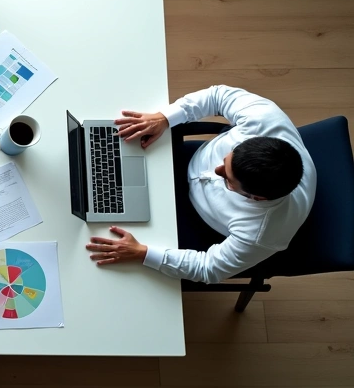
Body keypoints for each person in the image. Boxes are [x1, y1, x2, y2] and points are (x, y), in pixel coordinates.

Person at [86, 85, 316, 284]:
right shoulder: (264, 119)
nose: (216, 171)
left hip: (195, 220)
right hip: (183, 159)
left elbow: (209, 268)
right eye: (227, 159)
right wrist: (164, 118)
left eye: (227, 179)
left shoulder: (261, 233)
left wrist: (143, 253)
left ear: (257, 198)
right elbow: (218, 95)